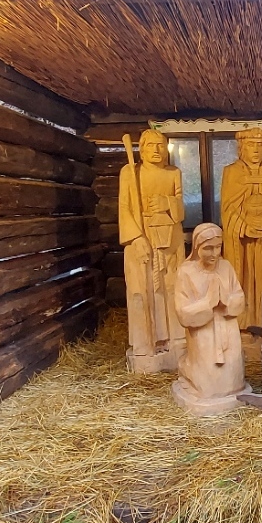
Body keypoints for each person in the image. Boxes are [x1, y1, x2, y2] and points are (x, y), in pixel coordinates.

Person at [119, 129, 185, 372]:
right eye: (151, 145)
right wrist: (136, 238)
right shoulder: (130, 172)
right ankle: (144, 343)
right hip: (141, 237)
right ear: (142, 149)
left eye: (161, 145)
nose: (157, 150)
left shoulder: (173, 173)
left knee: (171, 287)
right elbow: (124, 207)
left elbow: (181, 209)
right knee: (141, 289)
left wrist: (167, 203)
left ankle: (175, 339)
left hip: (169, 238)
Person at [172, 223, 248, 415]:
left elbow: (239, 297)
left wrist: (226, 301)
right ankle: (188, 370)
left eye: (218, 247)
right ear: (197, 248)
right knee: (208, 387)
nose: (214, 253)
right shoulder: (186, 272)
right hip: (203, 332)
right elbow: (182, 312)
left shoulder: (226, 267)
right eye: (208, 248)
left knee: (234, 380)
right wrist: (208, 303)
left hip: (228, 329)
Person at [220, 128, 262, 329]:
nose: (256, 149)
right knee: (243, 278)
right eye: (251, 145)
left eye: (260, 145)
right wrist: (243, 226)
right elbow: (227, 209)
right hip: (242, 240)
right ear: (241, 148)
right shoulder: (232, 172)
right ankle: (243, 321)